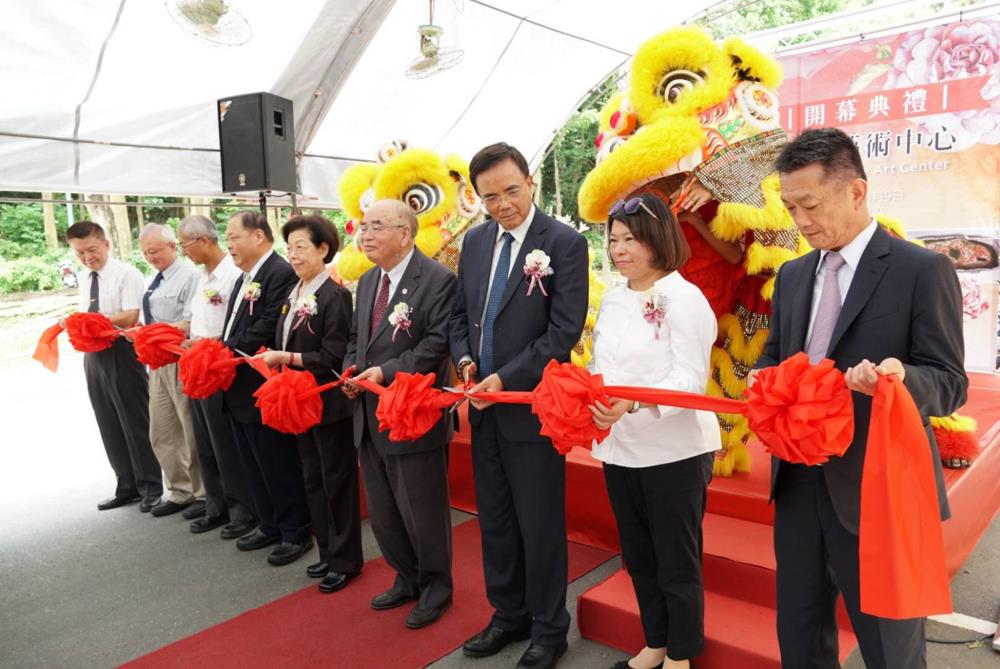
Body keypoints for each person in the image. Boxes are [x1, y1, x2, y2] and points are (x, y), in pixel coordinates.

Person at [749, 128, 967, 669]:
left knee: (889, 643)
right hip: (798, 479)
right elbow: (774, 357)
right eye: (789, 206)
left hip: (879, 487)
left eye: (810, 204)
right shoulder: (796, 275)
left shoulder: (920, 270)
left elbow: (948, 382)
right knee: (799, 631)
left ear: (856, 191)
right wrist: (760, 381)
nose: (800, 221)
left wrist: (902, 378)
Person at [449, 143, 589, 669]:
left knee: (539, 522)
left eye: (510, 190)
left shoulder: (565, 243)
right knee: (497, 520)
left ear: (529, 182)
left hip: (530, 406)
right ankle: (508, 615)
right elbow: (461, 315)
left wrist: (503, 377)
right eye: (489, 196)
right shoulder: (477, 241)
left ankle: (551, 628)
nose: (502, 204)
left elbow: (562, 333)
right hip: (481, 406)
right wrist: (465, 362)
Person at [588, 194, 719, 669]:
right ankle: (656, 641)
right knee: (639, 555)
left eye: (632, 239)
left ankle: (682, 654)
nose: (620, 250)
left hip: (675, 450)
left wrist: (636, 400)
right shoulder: (615, 296)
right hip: (621, 447)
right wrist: (594, 398)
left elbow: (689, 378)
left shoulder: (685, 298)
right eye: (615, 240)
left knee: (676, 559)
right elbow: (602, 362)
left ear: (658, 240)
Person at [343, 199, 456, 630]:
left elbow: (434, 346)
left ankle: (436, 588)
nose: (365, 235)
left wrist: (385, 372)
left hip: (411, 415)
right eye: (364, 227)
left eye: (376, 227)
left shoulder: (438, 280)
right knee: (386, 511)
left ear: (405, 233)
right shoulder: (368, 280)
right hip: (368, 414)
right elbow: (358, 338)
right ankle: (406, 576)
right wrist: (352, 369)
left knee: (421, 509)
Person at [256, 215, 363, 593]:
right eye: (290, 248)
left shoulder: (334, 295)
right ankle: (327, 552)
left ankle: (347, 559)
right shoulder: (293, 293)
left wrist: (286, 358)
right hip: (297, 402)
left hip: (327, 403)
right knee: (312, 479)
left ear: (323, 249)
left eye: (302, 246)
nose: (294, 255)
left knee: (337, 480)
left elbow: (334, 356)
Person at [221, 210, 312, 566]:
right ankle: (270, 522)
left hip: (263, 382)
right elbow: (235, 324)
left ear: (258, 236)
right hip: (237, 382)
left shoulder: (279, 273)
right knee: (253, 461)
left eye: (233, 237)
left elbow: (267, 324)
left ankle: (294, 530)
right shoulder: (244, 277)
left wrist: (223, 350)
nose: (229, 245)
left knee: (276, 460)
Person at [66, 222, 163, 512]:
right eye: (80, 253)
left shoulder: (126, 273)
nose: (87, 257)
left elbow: (132, 314)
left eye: (92, 250)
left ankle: (150, 485)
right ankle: (126, 484)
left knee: (134, 417)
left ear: (106, 244)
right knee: (106, 417)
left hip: (122, 349)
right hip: (93, 352)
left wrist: (92, 323)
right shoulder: (85, 277)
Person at [177, 215, 257, 539]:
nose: (186, 253)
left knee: (224, 442)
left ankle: (242, 509)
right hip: (196, 364)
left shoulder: (233, 275)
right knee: (204, 441)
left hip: (219, 366)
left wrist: (207, 344)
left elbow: (231, 326)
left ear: (203, 241)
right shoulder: (201, 276)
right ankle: (217, 503)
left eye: (185, 246)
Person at [137, 223, 205, 518]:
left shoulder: (189, 276)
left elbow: (191, 322)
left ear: (171, 247)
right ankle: (180, 490)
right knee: (161, 429)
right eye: (145, 253)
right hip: (157, 362)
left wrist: (158, 332)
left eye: (154, 251)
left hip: (180, 358)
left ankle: (202, 493)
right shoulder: (156, 279)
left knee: (188, 427)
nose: (150, 257)